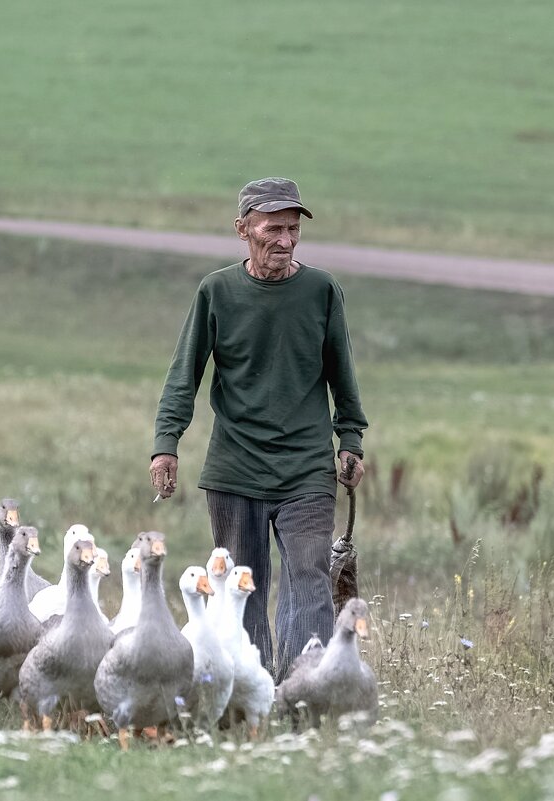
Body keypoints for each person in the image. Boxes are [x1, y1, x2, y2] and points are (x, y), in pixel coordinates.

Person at [149, 176, 368, 682]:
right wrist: (167, 444)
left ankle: (302, 688)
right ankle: (251, 689)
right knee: (240, 587)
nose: (285, 241)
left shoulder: (321, 291)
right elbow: (185, 375)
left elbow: (343, 374)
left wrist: (351, 438)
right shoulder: (217, 291)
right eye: (273, 229)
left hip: (307, 469)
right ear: (243, 229)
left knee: (310, 582)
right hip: (235, 469)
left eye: (293, 229)